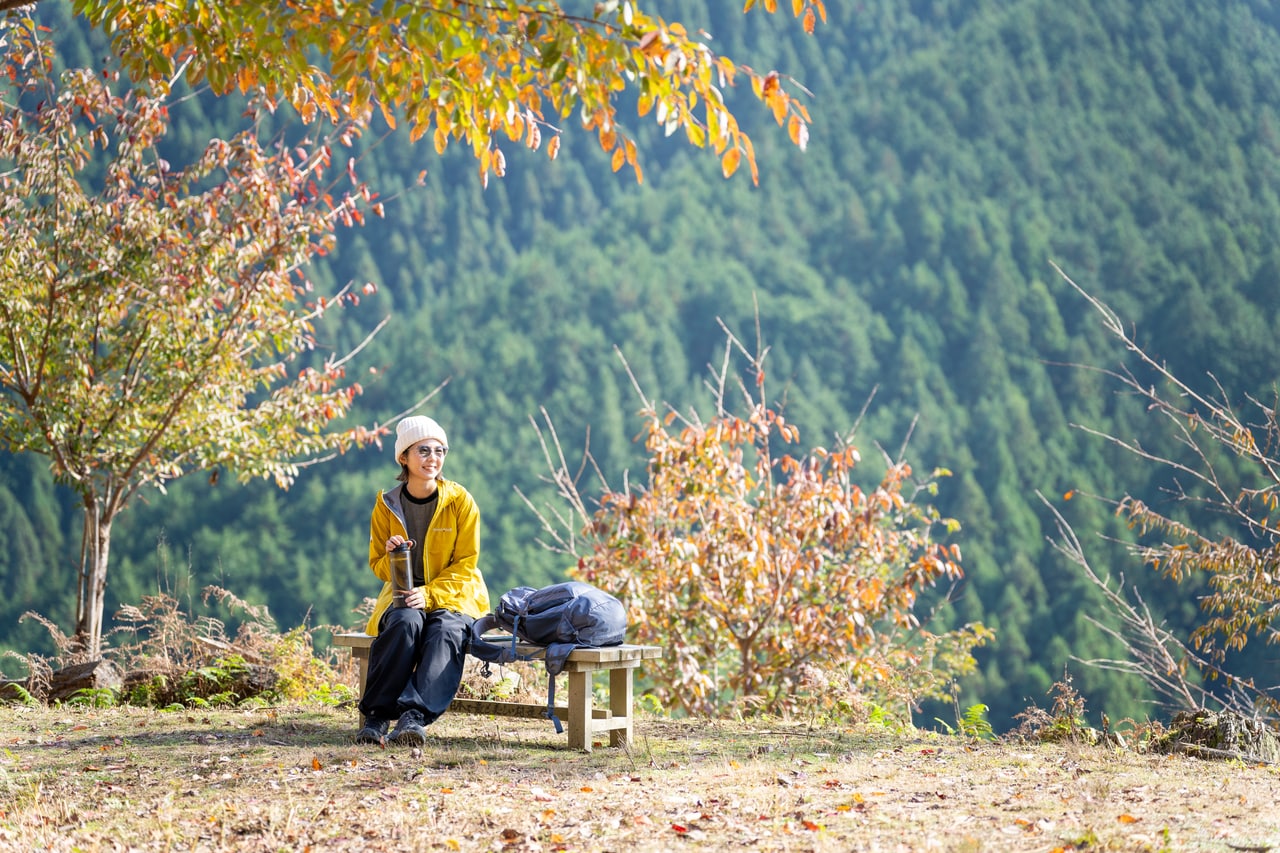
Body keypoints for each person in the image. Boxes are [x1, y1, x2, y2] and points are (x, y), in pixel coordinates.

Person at [355, 415, 490, 746]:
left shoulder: (460, 501)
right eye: (424, 450)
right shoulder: (386, 505)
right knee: (404, 624)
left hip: (455, 594)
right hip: (403, 594)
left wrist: (430, 594)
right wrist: (391, 558)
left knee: (446, 630)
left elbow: (467, 563)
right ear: (404, 457)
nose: (434, 458)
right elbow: (376, 563)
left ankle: (413, 717)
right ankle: (375, 718)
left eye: (440, 450)